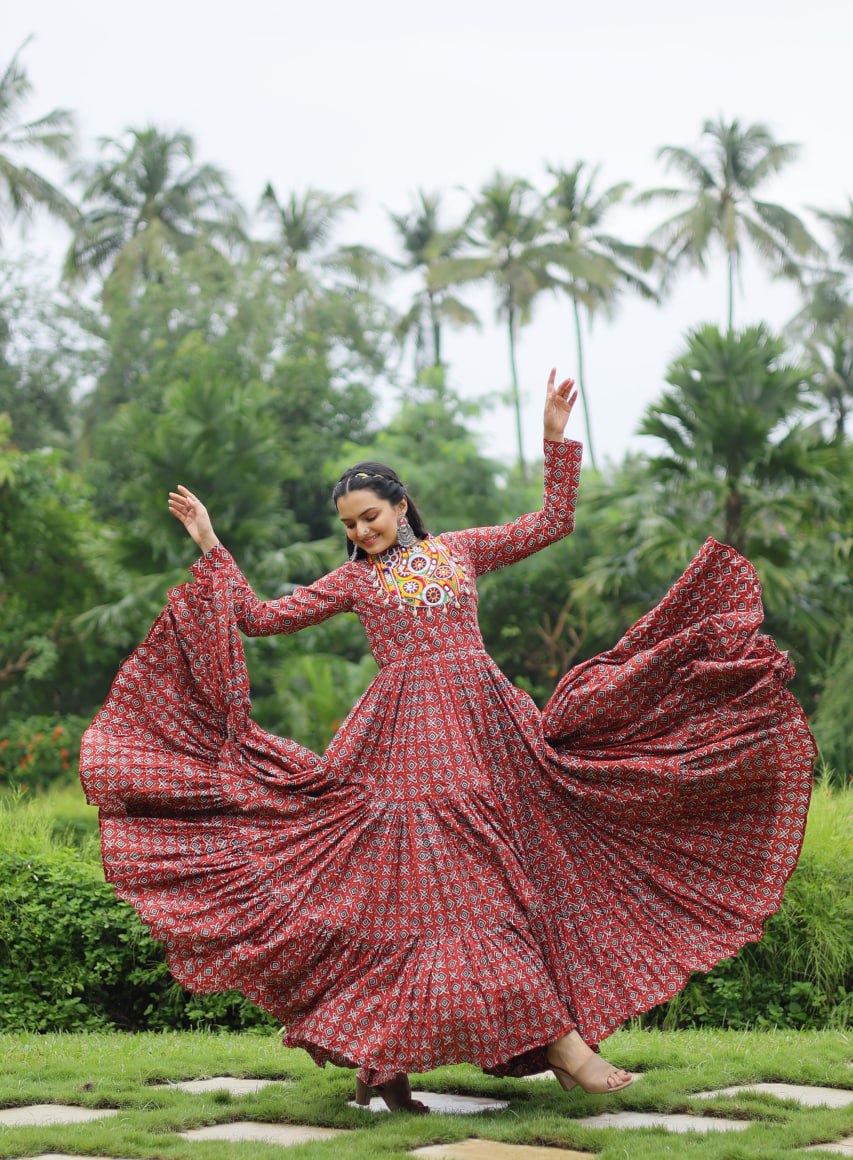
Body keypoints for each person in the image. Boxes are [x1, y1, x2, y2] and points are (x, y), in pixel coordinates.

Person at [80, 369, 816, 1112]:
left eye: (369, 516)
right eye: (349, 526)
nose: (360, 533)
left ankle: (386, 1062)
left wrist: (553, 439)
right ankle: (561, 1051)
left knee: (480, 881)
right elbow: (259, 617)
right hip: (404, 741)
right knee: (451, 882)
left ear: (401, 505)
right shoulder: (353, 582)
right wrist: (209, 542)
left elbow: (551, 522)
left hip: (487, 725)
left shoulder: (457, 551)